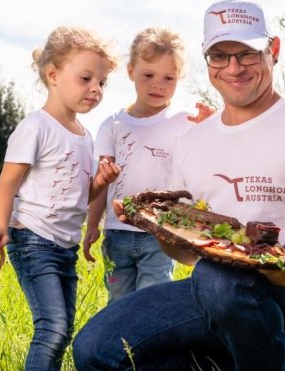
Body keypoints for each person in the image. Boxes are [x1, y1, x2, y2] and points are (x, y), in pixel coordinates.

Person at [72, 0, 285, 371]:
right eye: (220, 56)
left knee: (217, 275)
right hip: (215, 290)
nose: (234, 67)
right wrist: (157, 225)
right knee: (96, 352)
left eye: (247, 53)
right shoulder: (193, 141)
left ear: (273, 50)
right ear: (207, 61)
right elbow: (187, 256)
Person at [0, 26, 121, 371]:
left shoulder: (85, 136)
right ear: (53, 75)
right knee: (52, 326)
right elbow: (7, 182)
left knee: (64, 327)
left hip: (62, 247)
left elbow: (82, 193)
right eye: (86, 78)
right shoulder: (35, 127)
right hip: (32, 239)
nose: (95, 88)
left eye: (102, 82)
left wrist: (101, 182)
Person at [83, 27, 214, 303]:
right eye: (148, 75)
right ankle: (118, 346)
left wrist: (209, 128)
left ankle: (146, 347)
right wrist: (92, 224)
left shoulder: (185, 121)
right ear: (131, 72)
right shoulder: (113, 125)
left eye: (169, 78)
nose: (159, 84)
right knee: (117, 300)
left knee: (150, 300)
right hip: (117, 233)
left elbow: (207, 164)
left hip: (161, 235)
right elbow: (102, 180)